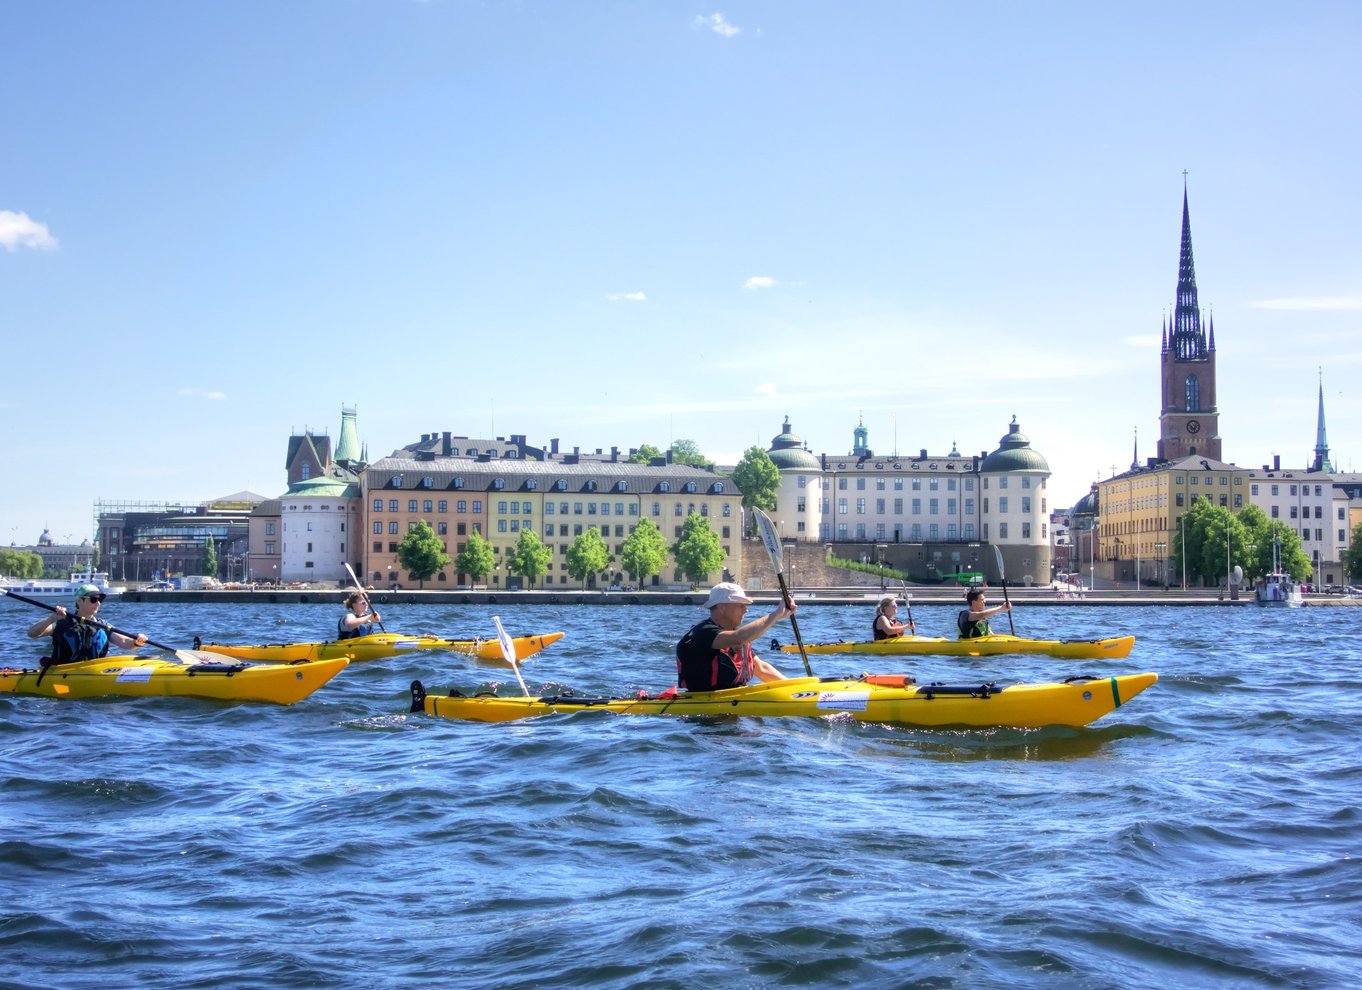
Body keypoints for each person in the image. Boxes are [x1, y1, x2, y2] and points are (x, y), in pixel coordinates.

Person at [675, 582, 795, 692]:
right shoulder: (704, 632)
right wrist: (776, 614)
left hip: (732, 698)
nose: (746, 610)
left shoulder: (735, 635)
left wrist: (794, 688)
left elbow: (762, 669)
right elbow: (738, 638)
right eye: (740, 605)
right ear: (721, 607)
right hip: (705, 702)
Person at [27, 584, 148, 662]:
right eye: (93, 599)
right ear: (79, 601)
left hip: (92, 672)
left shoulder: (103, 626)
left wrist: (137, 642)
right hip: (63, 673)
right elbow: (32, 634)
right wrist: (51, 619)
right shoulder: (62, 622)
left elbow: (125, 643)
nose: (98, 603)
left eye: (100, 600)